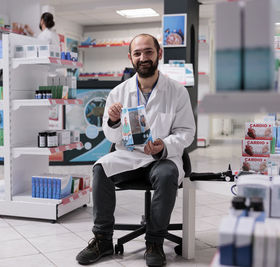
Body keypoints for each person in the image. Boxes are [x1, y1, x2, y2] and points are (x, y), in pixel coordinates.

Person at [76, 33, 195, 266]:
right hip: (129, 157)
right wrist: (113, 121)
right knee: (100, 169)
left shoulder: (177, 92)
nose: (143, 57)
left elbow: (186, 133)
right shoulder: (118, 93)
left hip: (162, 158)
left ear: (159, 53)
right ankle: (102, 240)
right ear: (130, 57)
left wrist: (164, 146)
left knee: (167, 173)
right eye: (138, 53)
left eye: (148, 52)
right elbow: (111, 136)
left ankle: (154, 241)